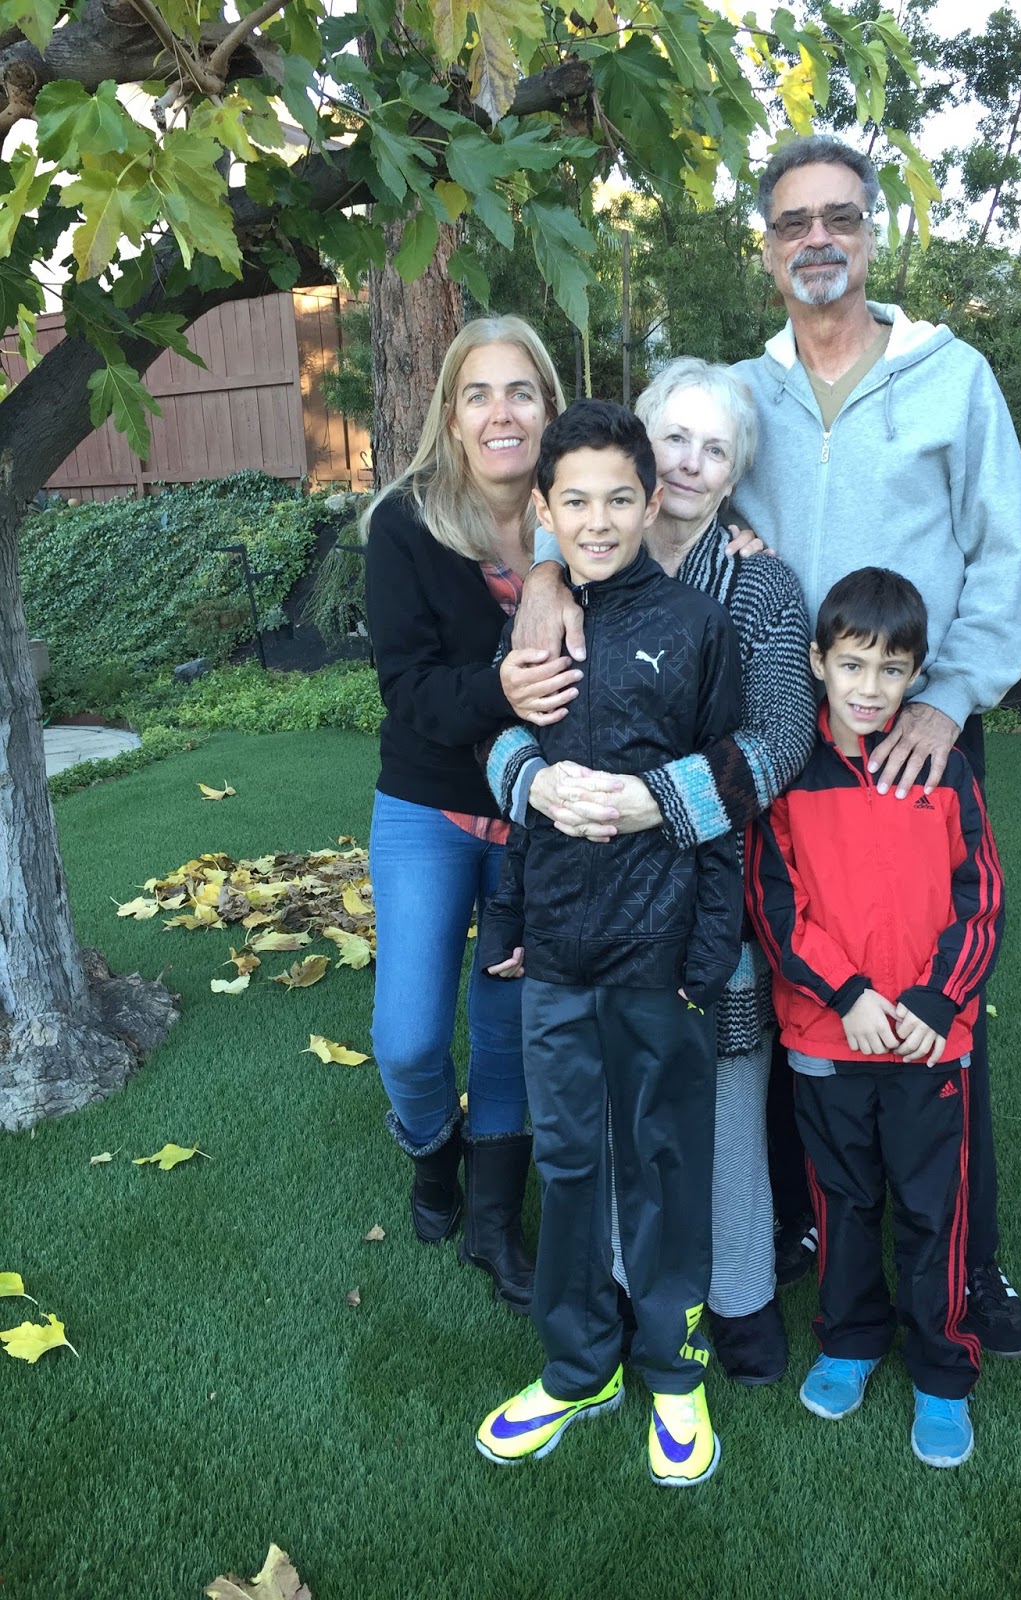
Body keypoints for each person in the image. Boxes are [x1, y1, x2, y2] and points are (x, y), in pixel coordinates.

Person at [507, 134, 1021, 1356]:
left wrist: (953, 697)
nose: (818, 239)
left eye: (839, 217)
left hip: (915, 731)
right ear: (767, 246)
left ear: (871, 233)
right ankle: (805, 1227)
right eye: (794, 221)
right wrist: (542, 572)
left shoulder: (951, 377)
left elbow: (1003, 548)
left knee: (937, 990)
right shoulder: (740, 393)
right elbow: (610, 496)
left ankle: (973, 1266)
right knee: (810, 977)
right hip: (791, 749)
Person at [486, 358, 815, 1385]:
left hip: (710, 885)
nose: (690, 462)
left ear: (735, 475)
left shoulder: (755, 587)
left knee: (719, 1092)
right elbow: (510, 722)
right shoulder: (567, 582)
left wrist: (656, 801)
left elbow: (779, 740)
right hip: (585, 906)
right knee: (602, 1113)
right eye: (675, 437)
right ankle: (625, 1294)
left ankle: (740, 1292)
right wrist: (544, 584)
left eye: (715, 449)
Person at [475, 400, 743, 1486]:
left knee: (664, 1162)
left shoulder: (698, 627)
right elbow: (500, 759)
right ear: (544, 508)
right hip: (556, 957)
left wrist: (706, 959)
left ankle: (673, 1367)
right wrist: (514, 908)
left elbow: (729, 794)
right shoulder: (531, 626)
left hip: (659, 957)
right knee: (570, 1159)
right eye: (575, 501)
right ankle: (579, 1364)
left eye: (619, 499)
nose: (597, 521)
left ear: (651, 499)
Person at [745, 567, 1004, 1469]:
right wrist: (849, 996)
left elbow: (980, 899)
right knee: (845, 1203)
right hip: (830, 1039)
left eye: (892, 670)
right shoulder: (790, 773)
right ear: (818, 662)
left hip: (931, 1042)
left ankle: (943, 1368)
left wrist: (935, 1001)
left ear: (916, 675)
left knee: (935, 1211)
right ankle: (850, 1339)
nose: (870, 687)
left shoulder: (946, 769)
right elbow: (774, 903)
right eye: (852, 665)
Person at [361, 315, 565, 1315]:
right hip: (431, 804)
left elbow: (678, 538)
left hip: (542, 817)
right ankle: (431, 1147)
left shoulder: (580, 513)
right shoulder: (405, 524)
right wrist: (502, 689)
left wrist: (735, 537)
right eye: (478, 393)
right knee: (407, 1036)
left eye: (520, 391)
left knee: (507, 1026)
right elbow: (408, 691)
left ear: (548, 406)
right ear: (449, 414)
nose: (501, 413)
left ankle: (492, 1222)